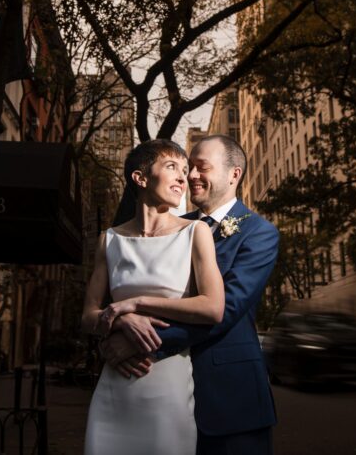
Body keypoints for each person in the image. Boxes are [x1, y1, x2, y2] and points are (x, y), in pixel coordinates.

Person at [100, 135, 280, 455]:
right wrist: (120, 324)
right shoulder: (174, 228)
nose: (190, 175)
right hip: (160, 393)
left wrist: (139, 343)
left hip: (229, 397)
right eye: (187, 167)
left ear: (234, 174)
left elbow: (226, 310)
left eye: (201, 167)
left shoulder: (259, 233)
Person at [83, 139, 225, 455]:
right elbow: (88, 316)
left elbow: (213, 308)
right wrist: (123, 320)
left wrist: (135, 304)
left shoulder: (195, 232)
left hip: (167, 387)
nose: (183, 178)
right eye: (172, 166)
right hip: (114, 387)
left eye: (185, 170)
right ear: (141, 177)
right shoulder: (109, 240)